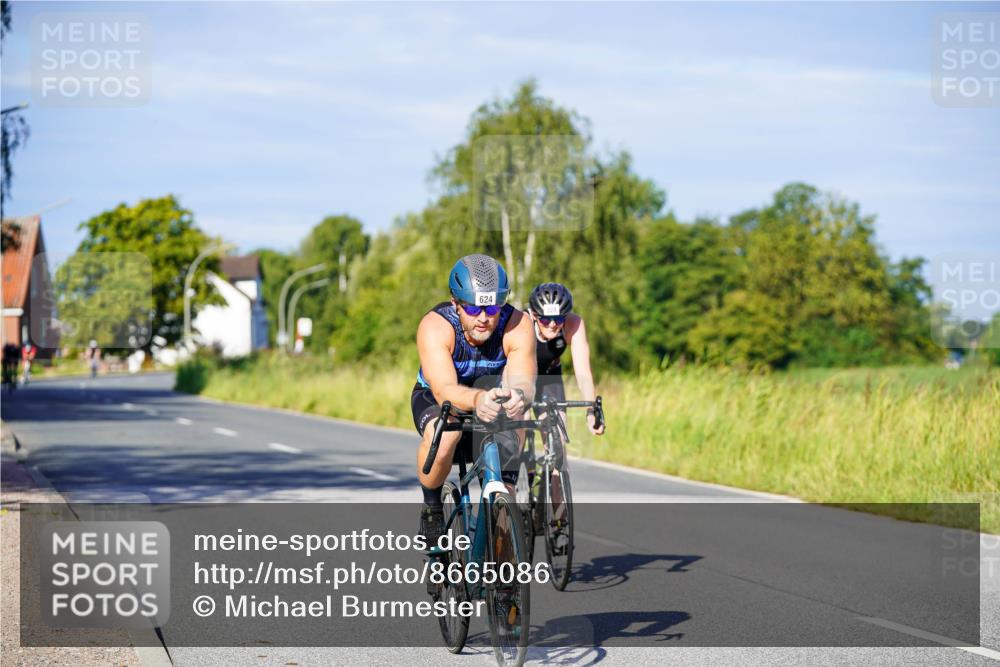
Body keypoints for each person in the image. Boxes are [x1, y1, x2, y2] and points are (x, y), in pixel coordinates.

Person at [412, 254, 536, 549]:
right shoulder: (436, 326)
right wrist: (478, 398)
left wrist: (519, 396)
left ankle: (504, 501)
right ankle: (432, 507)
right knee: (446, 433)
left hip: (491, 400)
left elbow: (524, 383)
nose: (483, 317)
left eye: (492, 308)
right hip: (440, 399)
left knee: (518, 416)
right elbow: (444, 390)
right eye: (473, 308)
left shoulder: (518, 324)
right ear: (455, 303)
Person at [527, 282, 605, 437]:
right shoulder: (523, 322)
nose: (552, 324)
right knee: (520, 422)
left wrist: (591, 412)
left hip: (549, 375)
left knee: (558, 435)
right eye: (545, 320)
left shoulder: (573, 324)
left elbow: (583, 373)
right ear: (534, 315)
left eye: (558, 319)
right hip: (522, 375)